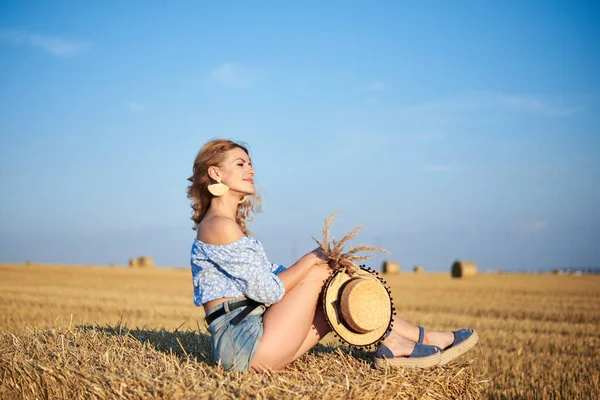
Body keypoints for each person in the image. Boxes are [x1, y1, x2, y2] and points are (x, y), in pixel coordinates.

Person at [187, 139, 478, 372]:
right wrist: (313, 259)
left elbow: (273, 278)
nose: (251, 171)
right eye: (241, 164)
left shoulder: (225, 226)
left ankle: (395, 343)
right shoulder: (220, 227)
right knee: (324, 272)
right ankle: (424, 338)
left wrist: (318, 266)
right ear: (215, 173)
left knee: (334, 301)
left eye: (250, 164)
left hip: (252, 340)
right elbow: (268, 290)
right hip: (244, 346)